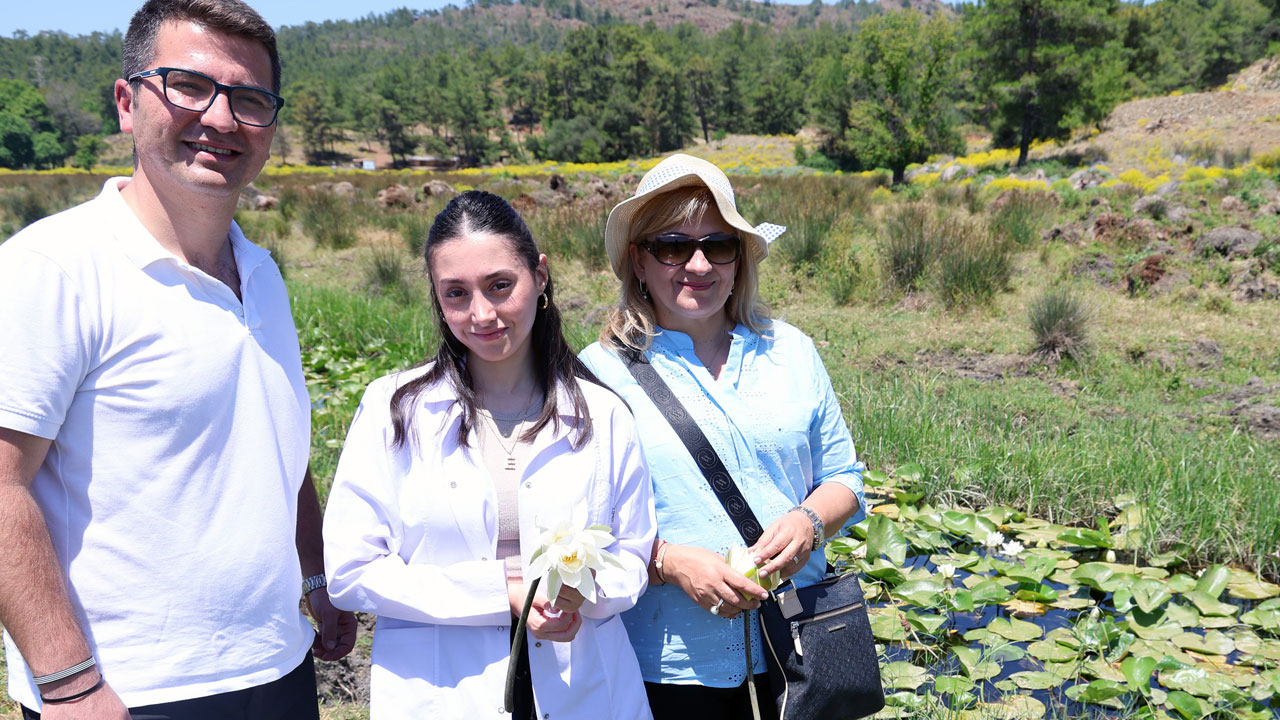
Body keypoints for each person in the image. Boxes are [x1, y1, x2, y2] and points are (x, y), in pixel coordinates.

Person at [0, 1, 356, 718]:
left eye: (249, 100)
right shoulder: (52, 268)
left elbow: (276, 448)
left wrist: (314, 578)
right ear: (129, 103)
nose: (222, 119)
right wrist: (71, 685)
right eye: (189, 87)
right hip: (133, 693)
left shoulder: (262, 274)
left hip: (278, 668)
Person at [322, 191, 656, 720]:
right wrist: (503, 591)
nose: (481, 314)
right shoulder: (394, 411)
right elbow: (350, 569)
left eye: (501, 286)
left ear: (540, 277)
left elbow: (633, 556)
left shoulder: (604, 415)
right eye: (456, 293)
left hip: (585, 688)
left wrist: (579, 594)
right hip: (440, 694)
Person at [578, 154, 868, 720]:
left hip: (799, 644)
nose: (699, 263)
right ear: (638, 261)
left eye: (719, 244)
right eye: (672, 246)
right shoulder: (599, 373)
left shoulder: (791, 351)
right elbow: (582, 527)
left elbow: (845, 479)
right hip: (668, 663)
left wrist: (808, 523)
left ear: (740, 259)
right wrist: (666, 560)